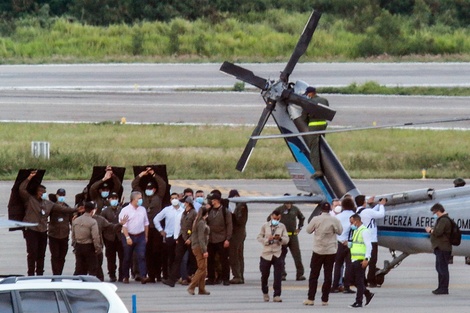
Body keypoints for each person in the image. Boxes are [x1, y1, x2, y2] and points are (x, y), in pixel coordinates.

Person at [19, 170, 76, 276]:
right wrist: (29, 178)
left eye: (45, 192)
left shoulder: (48, 203)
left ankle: (40, 273)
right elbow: (21, 189)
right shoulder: (30, 200)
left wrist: (75, 210)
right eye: (42, 192)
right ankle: (31, 273)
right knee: (32, 253)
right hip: (32, 230)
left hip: (43, 231)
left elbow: (63, 209)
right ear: (37, 192)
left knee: (41, 254)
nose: (44, 194)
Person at [302, 202, 342, 306]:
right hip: (330, 251)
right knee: (328, 276)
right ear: (330, 209)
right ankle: (325, 299)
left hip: (318, 250)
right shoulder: (335, 220)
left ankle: (311, 298)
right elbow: (340, 231)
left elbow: (308, 230)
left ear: (321, 209)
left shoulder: (316, 219)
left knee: (314, 275)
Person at [131, 168, 167, 283]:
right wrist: (141, 175)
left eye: (151, 188)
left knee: (157, 251)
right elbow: (134, 185)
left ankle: (158, 274)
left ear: (154, 189)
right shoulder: (142, 197)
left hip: (156, 228)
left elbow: (163, 185)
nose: (148, 190)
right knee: (147, 252)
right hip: (144, 229)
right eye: (147, 188)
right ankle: (151, 275)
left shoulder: (159, 196)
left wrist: (154, 174)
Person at [163, 196, 197, 287]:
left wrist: (191, 238)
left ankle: (197, 279)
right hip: (182, 237)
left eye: (184, 202)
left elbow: (196, 228)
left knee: (194, 260)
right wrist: (178, 237)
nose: (183, 204)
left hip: (190, 238)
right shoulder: (184, 213)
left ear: (188, 203)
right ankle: (171, 280)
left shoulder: (194, 213)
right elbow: (181, 225)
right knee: (177, 258)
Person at [269, 197, 305, 281]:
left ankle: (300, 274)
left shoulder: (295, 209)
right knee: (281, 256)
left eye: (290, 203)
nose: (288, 205)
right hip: (282, 236)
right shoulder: (280, 209)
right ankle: (282, 274)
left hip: (293, 236)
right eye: (287, 203)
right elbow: (269, 218)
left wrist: (299, 227)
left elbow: (302, 218)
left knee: (297, 255)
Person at [257, 210, 289, 303]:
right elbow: (259, 237)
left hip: (277, 253)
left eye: (278, 219)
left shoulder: (282, 226)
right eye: (274, 218)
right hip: (266, 254)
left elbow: (286, 239)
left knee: (278, 275)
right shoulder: (265, 226)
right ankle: (265, 292)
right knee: (264, 275)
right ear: (271, 217)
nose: (276, 220)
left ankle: (277, 294)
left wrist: (280, 239)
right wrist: (267, 240)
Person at [119, 191, 150, 284]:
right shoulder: (125, 210)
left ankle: (143, 276)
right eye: (139, 198)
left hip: (140, 235)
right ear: (133, 199)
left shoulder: (142, 209)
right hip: (129, 235)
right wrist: (127, 238)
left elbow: (146, 223)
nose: (140, 200)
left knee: (141, 255)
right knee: (127, 257)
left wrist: (146, 236)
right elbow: (124, 226)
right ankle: (125, 276)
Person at [355, 195, 386, 287]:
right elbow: (381, 214)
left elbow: (371, 212)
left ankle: (362, 280)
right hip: (371, 239)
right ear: (364, 202)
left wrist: (375, 205)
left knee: (364, 260)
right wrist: (382, 205)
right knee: (372, 261)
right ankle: (371, 280)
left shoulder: (358, 211)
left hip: (362, 239)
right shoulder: (367, 211)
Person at [154, 192, 184, 285]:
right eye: (172, 198)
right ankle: (169, 276)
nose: (174, 200)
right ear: (170, 200)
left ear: (179, 198)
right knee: (170, 257)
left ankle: (178, 276)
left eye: (176, 198)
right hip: (169, 236)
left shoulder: (182, 210)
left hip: (179, 236)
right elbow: (156, 219)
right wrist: (161, 230)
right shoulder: (167, 210)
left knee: (178, 257)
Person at [206, 192, 233, 286]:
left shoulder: (225, 211)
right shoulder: (209, 211)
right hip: (211, 239)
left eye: (213, 200)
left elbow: (229, 225)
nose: (211, 201)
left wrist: (227, 239)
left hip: (222, 239)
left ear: (217, 201)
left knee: (224, 260)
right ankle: (211, 278)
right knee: (210, 260)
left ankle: (226, 279)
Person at [348, 213, 375, 308]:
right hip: (354, 258)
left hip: (360, 260)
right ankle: (367, 293)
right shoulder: (356, 231)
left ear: (357, 221)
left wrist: (366, 259)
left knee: (359, 281)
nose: (351, 224)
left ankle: (359, 301)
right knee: (352, 279)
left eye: (352, 222)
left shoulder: (364, 231)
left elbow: (369, 246)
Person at [425, 203, 452, 295]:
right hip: (441, 247)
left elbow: (438, 232)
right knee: (440, 267)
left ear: (439, 210)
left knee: (442, 268)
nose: (435, 214)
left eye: (435, 212)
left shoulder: (444, 220)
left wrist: (430, 230)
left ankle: (444, 288)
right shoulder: (443, 220)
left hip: (443, 248)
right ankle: (441, 287)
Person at [332, 197, 356, 293]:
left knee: (338, 264)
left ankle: (335, 285)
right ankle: (347, 286)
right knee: (348, 265)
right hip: (350, 243)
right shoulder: (355, 216)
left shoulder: (337, 217)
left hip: (339, 242)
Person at [304, 86, 329, 179]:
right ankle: (326, 167)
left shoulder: (309, 102)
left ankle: (318, 170)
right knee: (322, 147)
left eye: (307, 94)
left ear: (310, 93)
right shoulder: (324, 100)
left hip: (313, 127)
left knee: (314, 148)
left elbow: (304, 117)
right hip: (323, 125)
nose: (307, 95)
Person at [72, 201, 101, 277]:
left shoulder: (76, 220)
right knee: (92, 268)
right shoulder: (93, 222)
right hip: (89, 247)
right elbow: (95, 237)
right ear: (92, 210)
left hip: (78, 246)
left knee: (79, 268)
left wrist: (75, 246)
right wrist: (98, 248)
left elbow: (73, 235)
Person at [48, 188, 73, 275]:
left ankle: (59, 273)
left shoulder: (68, 208)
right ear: (56, 195)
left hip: (64, 235)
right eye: (60, 195)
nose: (61, 197)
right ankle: (55, 274)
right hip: (53, 235)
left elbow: (72, 222)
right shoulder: (52, 206)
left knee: (62, 257)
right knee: (55, 256)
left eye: (63, 195)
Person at [101, 192, 125, 282]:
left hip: (120, 237)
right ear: (109, 200)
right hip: (109, 238)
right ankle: (112, 274)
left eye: (115, 198)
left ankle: (122, 275)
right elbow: (102, 225)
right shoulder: (105, 211)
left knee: (122, 257)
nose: (114, 200)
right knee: (111, 258)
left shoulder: (122, 210)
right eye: (112, 198)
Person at [187, 206, 211, 295]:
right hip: (199, 247)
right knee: (201, 268)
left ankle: (202, 288)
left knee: (204, 269)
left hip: (198, 246)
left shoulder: (198, 221)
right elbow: (201, 237)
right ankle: (192, 286)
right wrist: (204, 250)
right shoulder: (201, 223)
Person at [228, 189, 248, 284]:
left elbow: (240, 221)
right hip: (238, 234)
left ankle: (237, 276)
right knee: (238, 255)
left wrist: (231, 216)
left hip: (237, 234)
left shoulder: (241, 206)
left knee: (235, 255)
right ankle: (240, 275)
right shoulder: (238, 206)